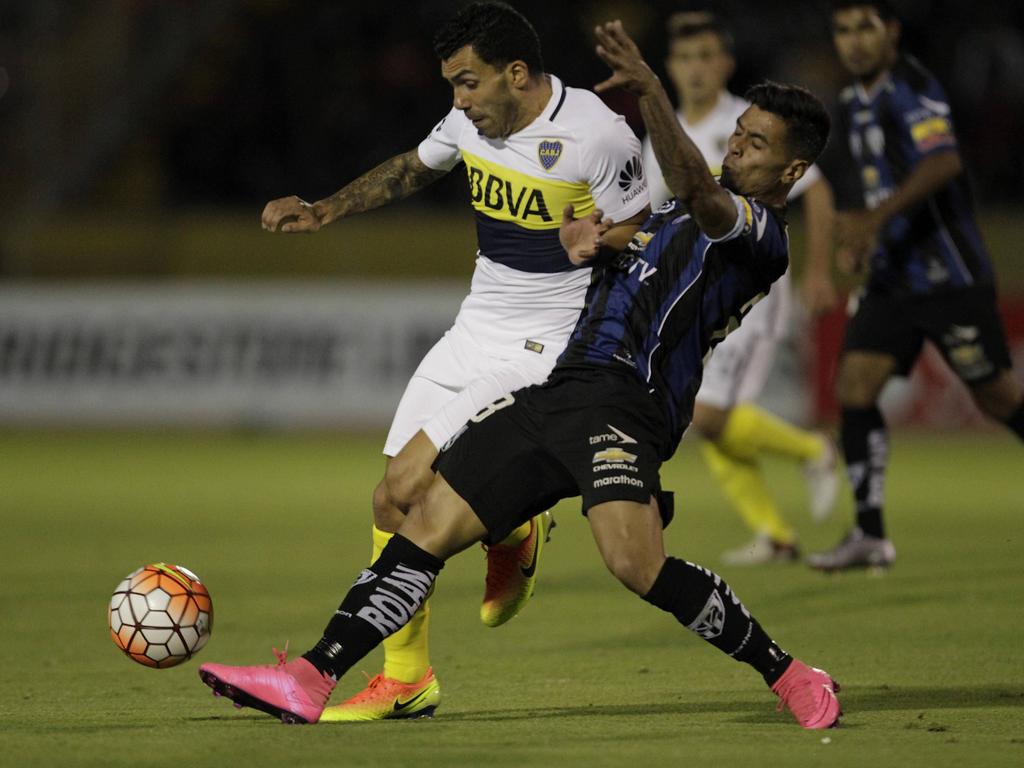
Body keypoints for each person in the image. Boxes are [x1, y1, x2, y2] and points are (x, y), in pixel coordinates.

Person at [197, 20, 841, 730]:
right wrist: (591, 241)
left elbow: (697, 194)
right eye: (739, 131)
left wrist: (650, 90)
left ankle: (788, 674)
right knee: (423, 520)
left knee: (635, 565)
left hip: (628, 407)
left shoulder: (758, 234)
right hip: (561, 387)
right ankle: (311, 676)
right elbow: (649, 233)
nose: (737, 148)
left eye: (755, 144)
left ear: (790, 172)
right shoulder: (679, 212)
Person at [259, 2, 649, 720]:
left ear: (518, 73)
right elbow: (414, 167)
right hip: (475, 326)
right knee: (387, 498)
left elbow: (646, 225)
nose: (459, 101)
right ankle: (413, 673)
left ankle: (500, 534)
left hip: (545, 345)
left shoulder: (597, 134)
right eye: (452, 86)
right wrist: (325, 209)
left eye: (468, 84)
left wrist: (603, 238)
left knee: (414, 482)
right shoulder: (470, 122)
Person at [808, 0, 1024, 572]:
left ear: (892, 33)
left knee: (997, 395)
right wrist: (860, 238)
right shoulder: (853, 101)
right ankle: (869, 534)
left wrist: (874, 220)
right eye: (843, 30)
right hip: (892, 280)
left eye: (865, 28)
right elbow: (876, 180)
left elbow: (943, 162)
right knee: (853, 388)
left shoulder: (911, 86)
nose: (853, 41)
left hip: (948, 277)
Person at [643, 12, 841, 566]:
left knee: (709, 415)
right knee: (706, 418)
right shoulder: (663, 130)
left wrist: (820, 270)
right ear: (670, 69)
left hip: (750, 299)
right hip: (697, 297)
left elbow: (816, 191)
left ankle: (812, 448)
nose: (697, 69)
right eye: (685, 58)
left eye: (707, 56)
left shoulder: (754, 122)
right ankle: (775, 534)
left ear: (726, 64)